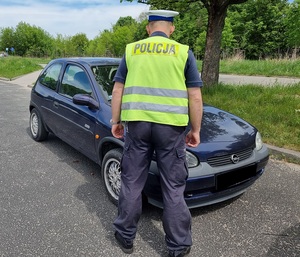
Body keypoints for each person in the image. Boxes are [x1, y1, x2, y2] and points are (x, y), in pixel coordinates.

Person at [110, 10, 203, 257]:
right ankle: (178, 245)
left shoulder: (132, 50)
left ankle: (125, 236)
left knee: (131, 181)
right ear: (171, 28)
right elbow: (194, 95)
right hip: (170, 128)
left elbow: (118, 89)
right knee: (173, 186)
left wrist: (116, 121)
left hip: (137, 126)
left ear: (148, 28)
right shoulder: (183, 52)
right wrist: (195, 130)